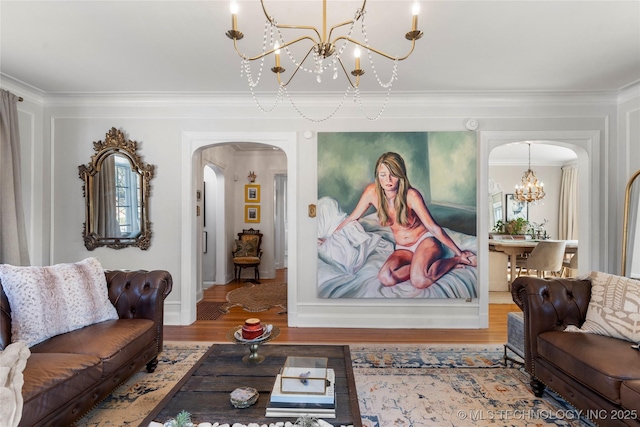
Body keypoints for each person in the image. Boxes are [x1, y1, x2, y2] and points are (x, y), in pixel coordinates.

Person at [331, 152, 476, 289]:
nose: (388, 180)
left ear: (401, 175)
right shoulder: (371, 192)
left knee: (420, 281)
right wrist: (330, 238)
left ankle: (454, 261)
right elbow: (352, 218)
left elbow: (433, 227)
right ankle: (420, 266)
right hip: (402, 248)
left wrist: (459, 253)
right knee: (385, 277)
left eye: (393, 175)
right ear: (377, 176)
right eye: (383, 175)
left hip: (424, 241)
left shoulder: (411, 195)